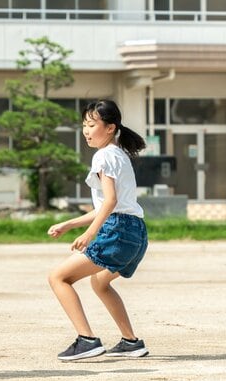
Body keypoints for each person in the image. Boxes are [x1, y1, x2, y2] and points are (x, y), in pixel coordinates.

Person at [47, 99, 149, 361]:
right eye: (84, 125)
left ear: (110, 127)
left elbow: (111, 202)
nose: (86, 131)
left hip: (117, 230)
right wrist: (69, 224)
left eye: (92, 125)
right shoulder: (119, 155)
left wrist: (89, 234)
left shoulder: (103, 155)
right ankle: (131, 342)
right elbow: (109, 205)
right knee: (100, 282)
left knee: (58, 278)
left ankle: (87, 340)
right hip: (135, 232)